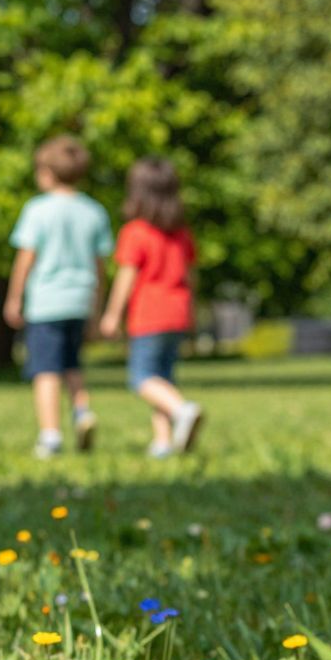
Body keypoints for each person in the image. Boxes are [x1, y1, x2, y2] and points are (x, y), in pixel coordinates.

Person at [3, 136, 111, 458]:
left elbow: (26, 258)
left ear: (47, 173)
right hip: (79, 300)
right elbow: (100, 266)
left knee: (46, 369)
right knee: (72, 363)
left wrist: (13, 298)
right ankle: (81, 411)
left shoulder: (37, 209)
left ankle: (50, 434)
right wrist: (97, 306)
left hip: (47, 302)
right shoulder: (94, 212)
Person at [99, 158, 205, 458]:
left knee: (142, 378)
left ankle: (182, 410)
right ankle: (163, 441)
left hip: (150, 314)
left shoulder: (136, 232)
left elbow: (126, 278)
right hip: (178, 312)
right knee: (163, 378)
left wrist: (111, 315)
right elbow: (191, 276)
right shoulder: (182, 234)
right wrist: (193, 313)